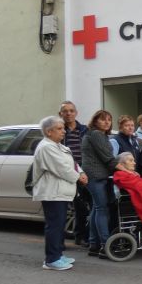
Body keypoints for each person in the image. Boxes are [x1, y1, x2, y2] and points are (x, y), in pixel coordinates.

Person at [32, 116, 88, 271]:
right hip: (52, 192)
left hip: (61, 192)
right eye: (59, 128)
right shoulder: (46, 147)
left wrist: (81, 172)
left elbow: (72, 163)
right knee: (55, 225)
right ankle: (51, 259)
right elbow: (62, 168)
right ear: (49, 132)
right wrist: (79, 178)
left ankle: (57, 254)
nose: (64, 131)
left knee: (59, 224)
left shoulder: (57, 146)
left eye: (63, 128)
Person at [81, 110, 129, 258]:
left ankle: (94, 244)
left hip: (97, 176)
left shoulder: (99, 135)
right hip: (95, 176)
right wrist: (128, 172)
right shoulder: (95, 134)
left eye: (109, 119)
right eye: (103, 119)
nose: (107, 122)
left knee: (97, 209)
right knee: (102, 209)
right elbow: (109, 159)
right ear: (95, 121)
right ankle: (105, 245)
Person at [58, 101, 90, 247]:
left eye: (71, 111)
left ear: (76, 113)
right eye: (65, 111)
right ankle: (59, 241)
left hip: (83, 172)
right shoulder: (58, 130)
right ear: (60, 114)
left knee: (81, 207)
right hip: (65, 173)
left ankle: (80, 236)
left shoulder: (84, 130)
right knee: (62, 208)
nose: (69, 113)